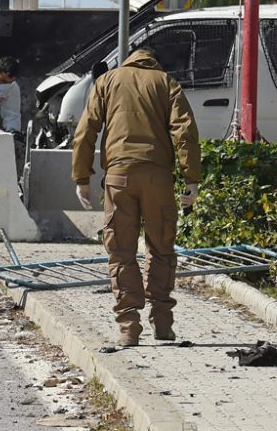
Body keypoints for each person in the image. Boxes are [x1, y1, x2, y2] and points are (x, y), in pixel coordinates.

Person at [70, 46, 201, 347]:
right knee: (161, 247)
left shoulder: (107, 82)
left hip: (118, 178)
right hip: (158, 177)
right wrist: (191, 178)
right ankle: (164, 324)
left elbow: (86, 130)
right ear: (155, 60)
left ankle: (129, 326)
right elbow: (185, 131)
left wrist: (82, 177)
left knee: (121, 251)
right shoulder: (166, 83)